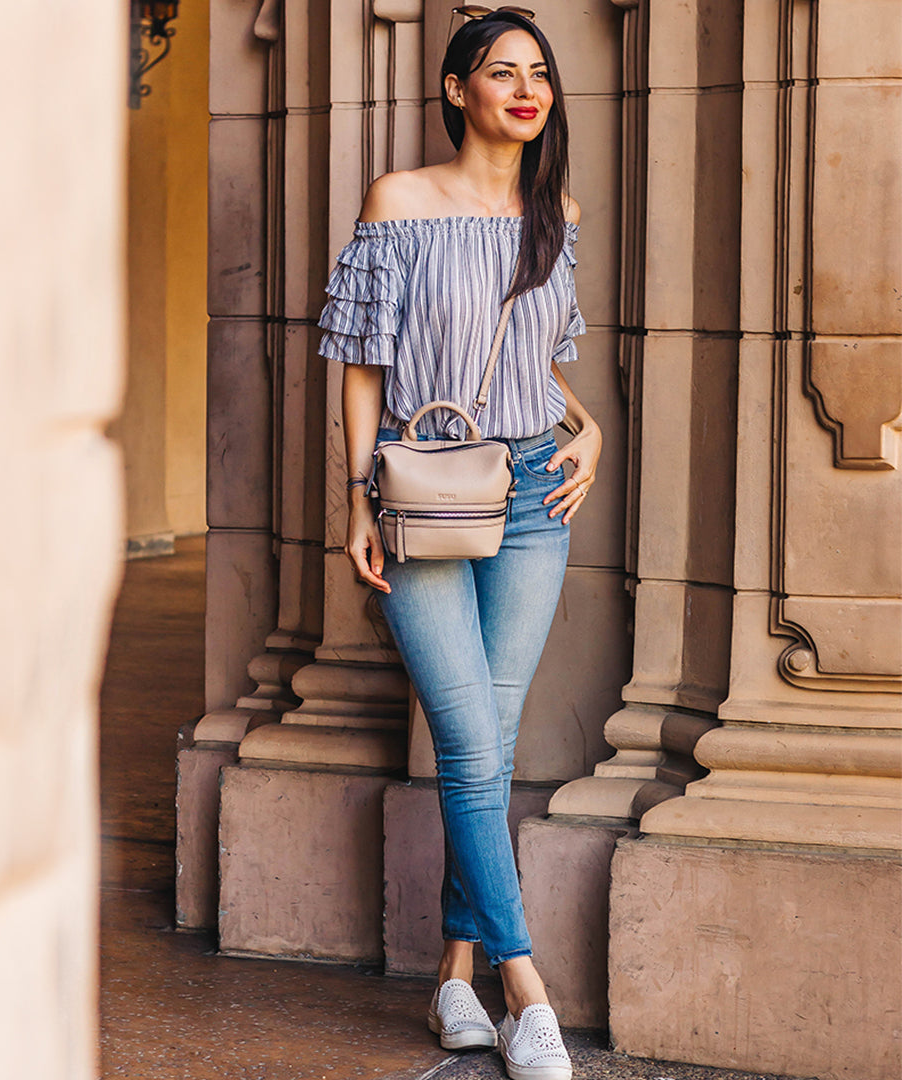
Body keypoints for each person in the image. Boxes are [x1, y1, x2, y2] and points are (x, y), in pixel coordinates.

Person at [316, 9, 602, 1080]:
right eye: (501, 71)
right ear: (455, 89)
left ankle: (453, 974)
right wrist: (357, 497)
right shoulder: (400, 201)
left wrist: (592, 432)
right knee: (474, 748)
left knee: (492, 738)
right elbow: (359, 360)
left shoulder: (552, 211)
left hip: (534, 493)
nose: (527, 88)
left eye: (540, 72)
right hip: (424, 486)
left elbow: (540, 364)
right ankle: (527, 989)